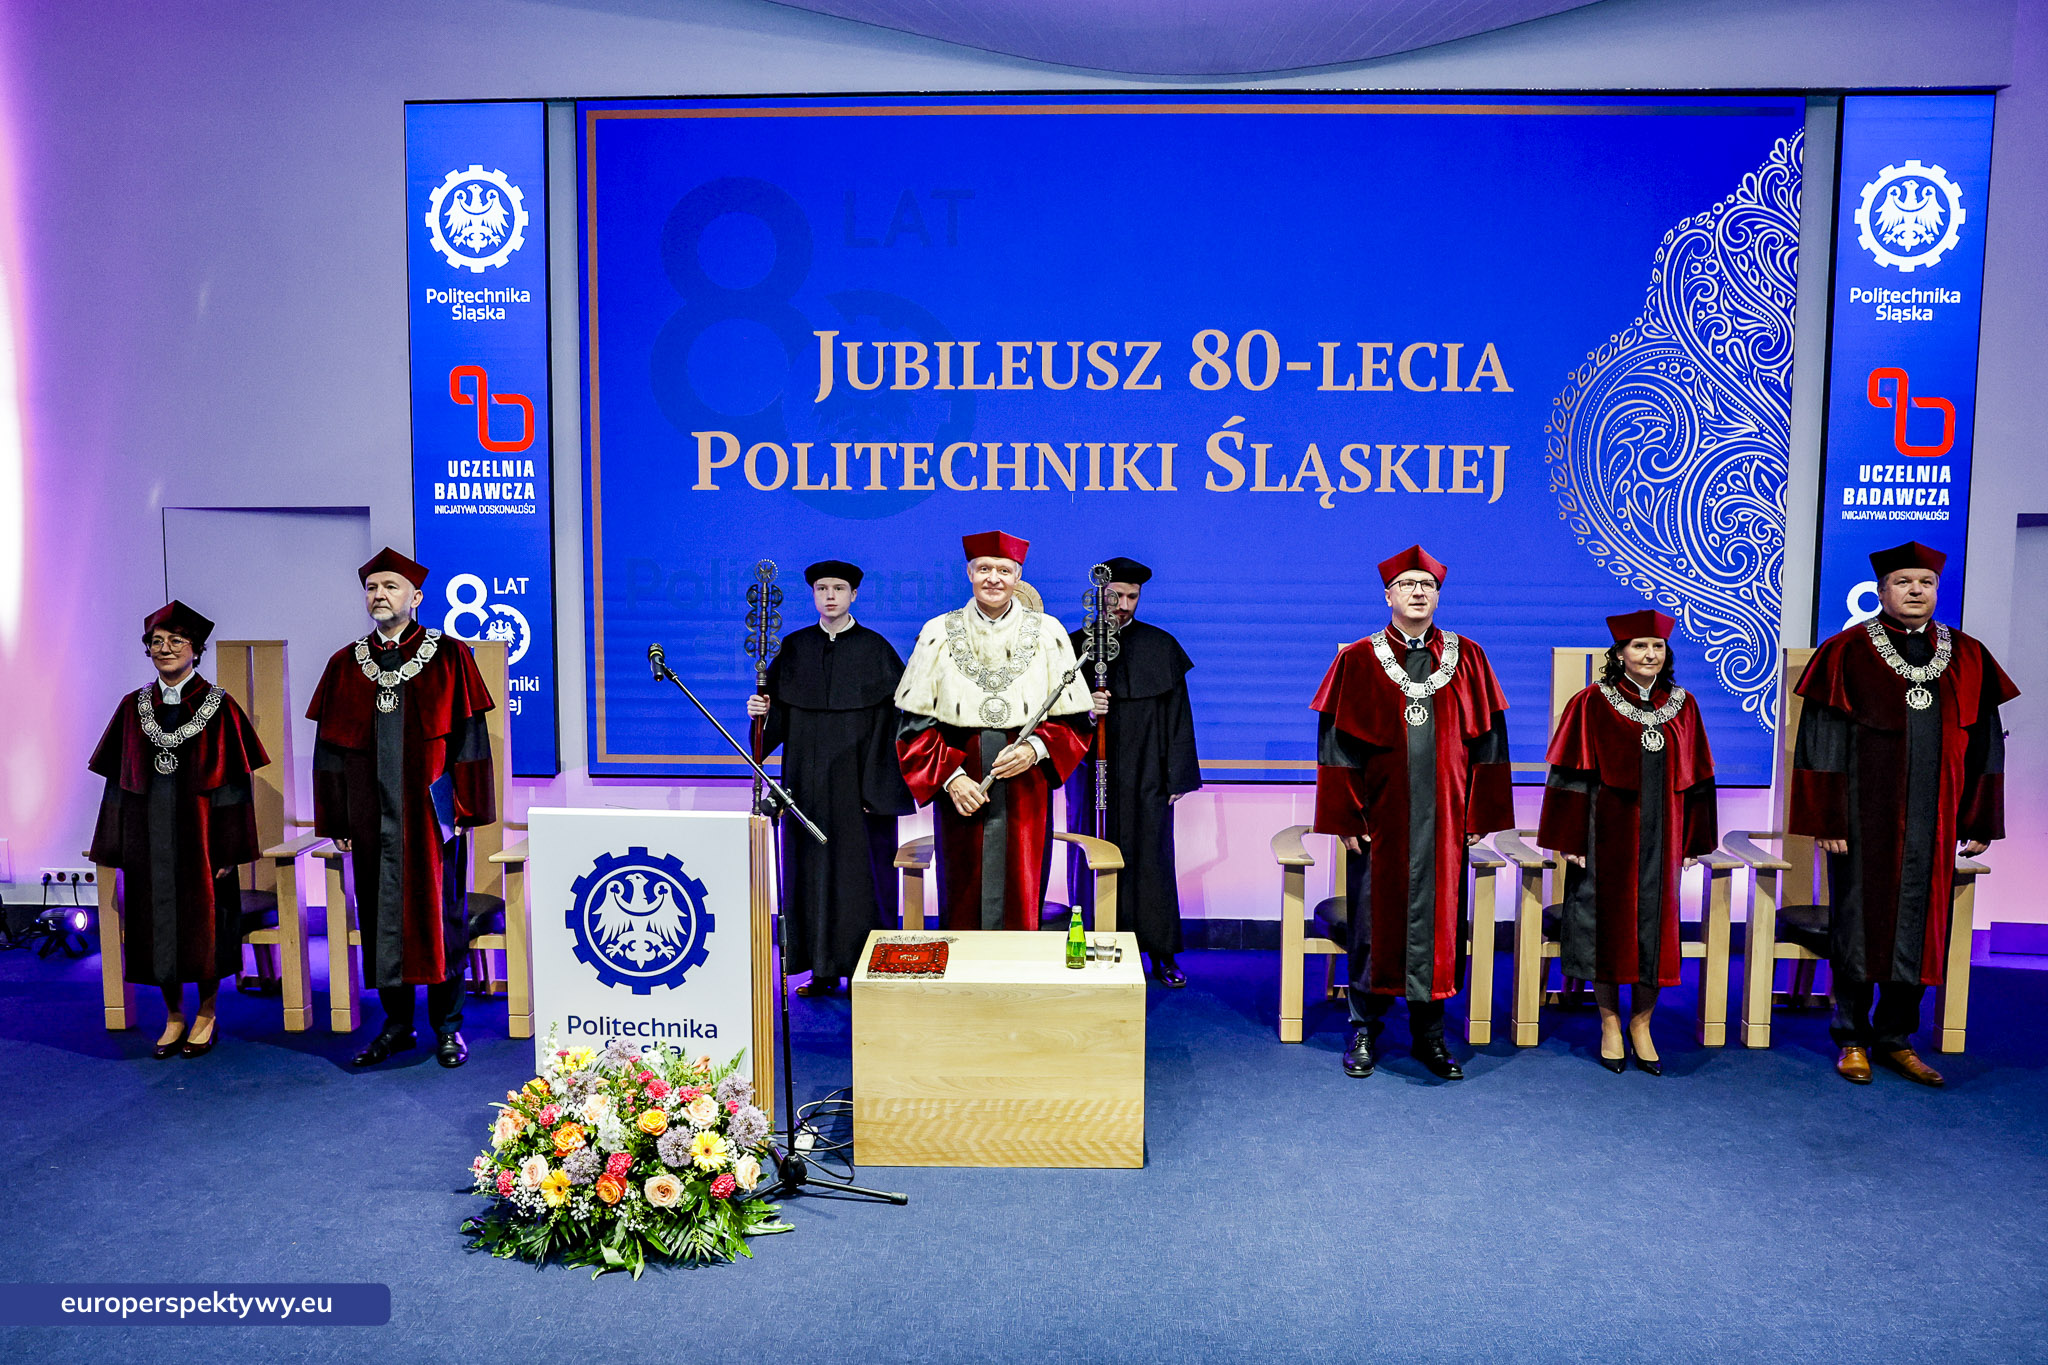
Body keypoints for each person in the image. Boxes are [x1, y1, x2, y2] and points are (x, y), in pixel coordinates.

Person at [1789, 541, 2017, 1087]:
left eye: (1926, 583)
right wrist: (1827, 818)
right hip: (1865, 820)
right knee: (1859, 925)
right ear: (1882, 590)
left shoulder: (1968, 655)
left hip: (1935, 822)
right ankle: (1850, 1037)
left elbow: (1986, 742)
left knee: (1919, 927)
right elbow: (1818, 742)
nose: (1917, 591)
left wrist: (1980, 819)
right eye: (1904, 582)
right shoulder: (1845, 652)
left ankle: (1896, 1038)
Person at [1311, 546, 1513, 1080]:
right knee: (1374, 922)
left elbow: (1490, 741)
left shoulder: (1469, 658)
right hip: (1379, 821)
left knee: (1443, 925)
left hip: (1446, 821)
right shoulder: (1356, 660)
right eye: (1407, 584)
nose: (1418, 591)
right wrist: (1346, 817)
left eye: (1427, 584)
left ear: (1438, 594)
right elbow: (1335, 746)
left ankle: (1429, 1033)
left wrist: (1479, 814)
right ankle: (1363, 1026)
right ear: (1388, 595)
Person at [308, 548, 497, 1069]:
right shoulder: (345, 664)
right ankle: (396, 1025)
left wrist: (466, 806)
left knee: (441, 918)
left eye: (390, 587)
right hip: (371, 816)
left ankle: (448, 1028)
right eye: (372, 587)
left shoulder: (450, 656)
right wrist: (337, 819)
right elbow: (330, 751)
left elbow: (470, 740)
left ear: (415, 597)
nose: (379, 595)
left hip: (433, 814)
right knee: (380, 916)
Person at [1538, 610, 1718, 1075]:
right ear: (1618, 654)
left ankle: (1642, 1023)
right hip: (1603, 835)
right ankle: (1610, 1022)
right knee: (1604, 927)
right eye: (1639, 646)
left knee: (1653, 929)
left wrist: (1696, 837)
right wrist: (1568, 836)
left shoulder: (1685, 704)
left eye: (1657, 647)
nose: (1650, 654)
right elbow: (1568, 776)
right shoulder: (1591, 703)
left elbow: (1698, 777)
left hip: (1665, 835)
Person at [88, 602, 269, 1059]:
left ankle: (207, 1012)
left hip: (203, 842)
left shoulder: (220, 706)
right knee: (156, 927)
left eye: (175, 641)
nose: (164, 649)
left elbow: (234, 785)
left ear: (197, 649)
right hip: (148, 841)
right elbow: (119, 783)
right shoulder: (133, 707)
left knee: (205, 927)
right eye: (156, 641)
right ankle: (173, 1015)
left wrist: (229, 848)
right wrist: (112, 845)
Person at [896, 531, 1094, 929]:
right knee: (963, 882)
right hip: (962, 781)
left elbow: (1075, 722)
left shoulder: (1049, 632)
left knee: (1022, 880)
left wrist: (1035, 750)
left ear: (1018, 577)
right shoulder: (937, 631)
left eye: (1004, 570)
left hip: (1025, 782)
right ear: (969, 572)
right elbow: (913, 726)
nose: (993, 578)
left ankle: (1018, 975)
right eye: (984, 569)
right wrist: (951, 779)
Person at [746, 559, 916, 995]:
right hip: (804, 788)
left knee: (861, 879)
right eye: (822, 588)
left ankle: (864, 969)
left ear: (853, 594)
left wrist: (875, 790)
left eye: (838, 588)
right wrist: (761, 715)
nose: (830, 596)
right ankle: (820, 969)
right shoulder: (796, 647)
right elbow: (774, 727)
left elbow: (892, 728)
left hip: (858, 794)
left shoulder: (876, 650)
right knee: (809, 876)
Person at [1063, 556, 1200, 986]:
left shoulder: (1162, 647)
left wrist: (1177, 776)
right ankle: (1090, 943)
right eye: (1115, 596)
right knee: (1092, 856)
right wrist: (1085, 711)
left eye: (1132, 597)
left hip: (1148, 775)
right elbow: (1054, 717)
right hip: (1091, 772)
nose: (1123, 604)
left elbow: (1179, 717)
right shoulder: (1071, 646)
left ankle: (1158, 952)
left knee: (1152, 859)